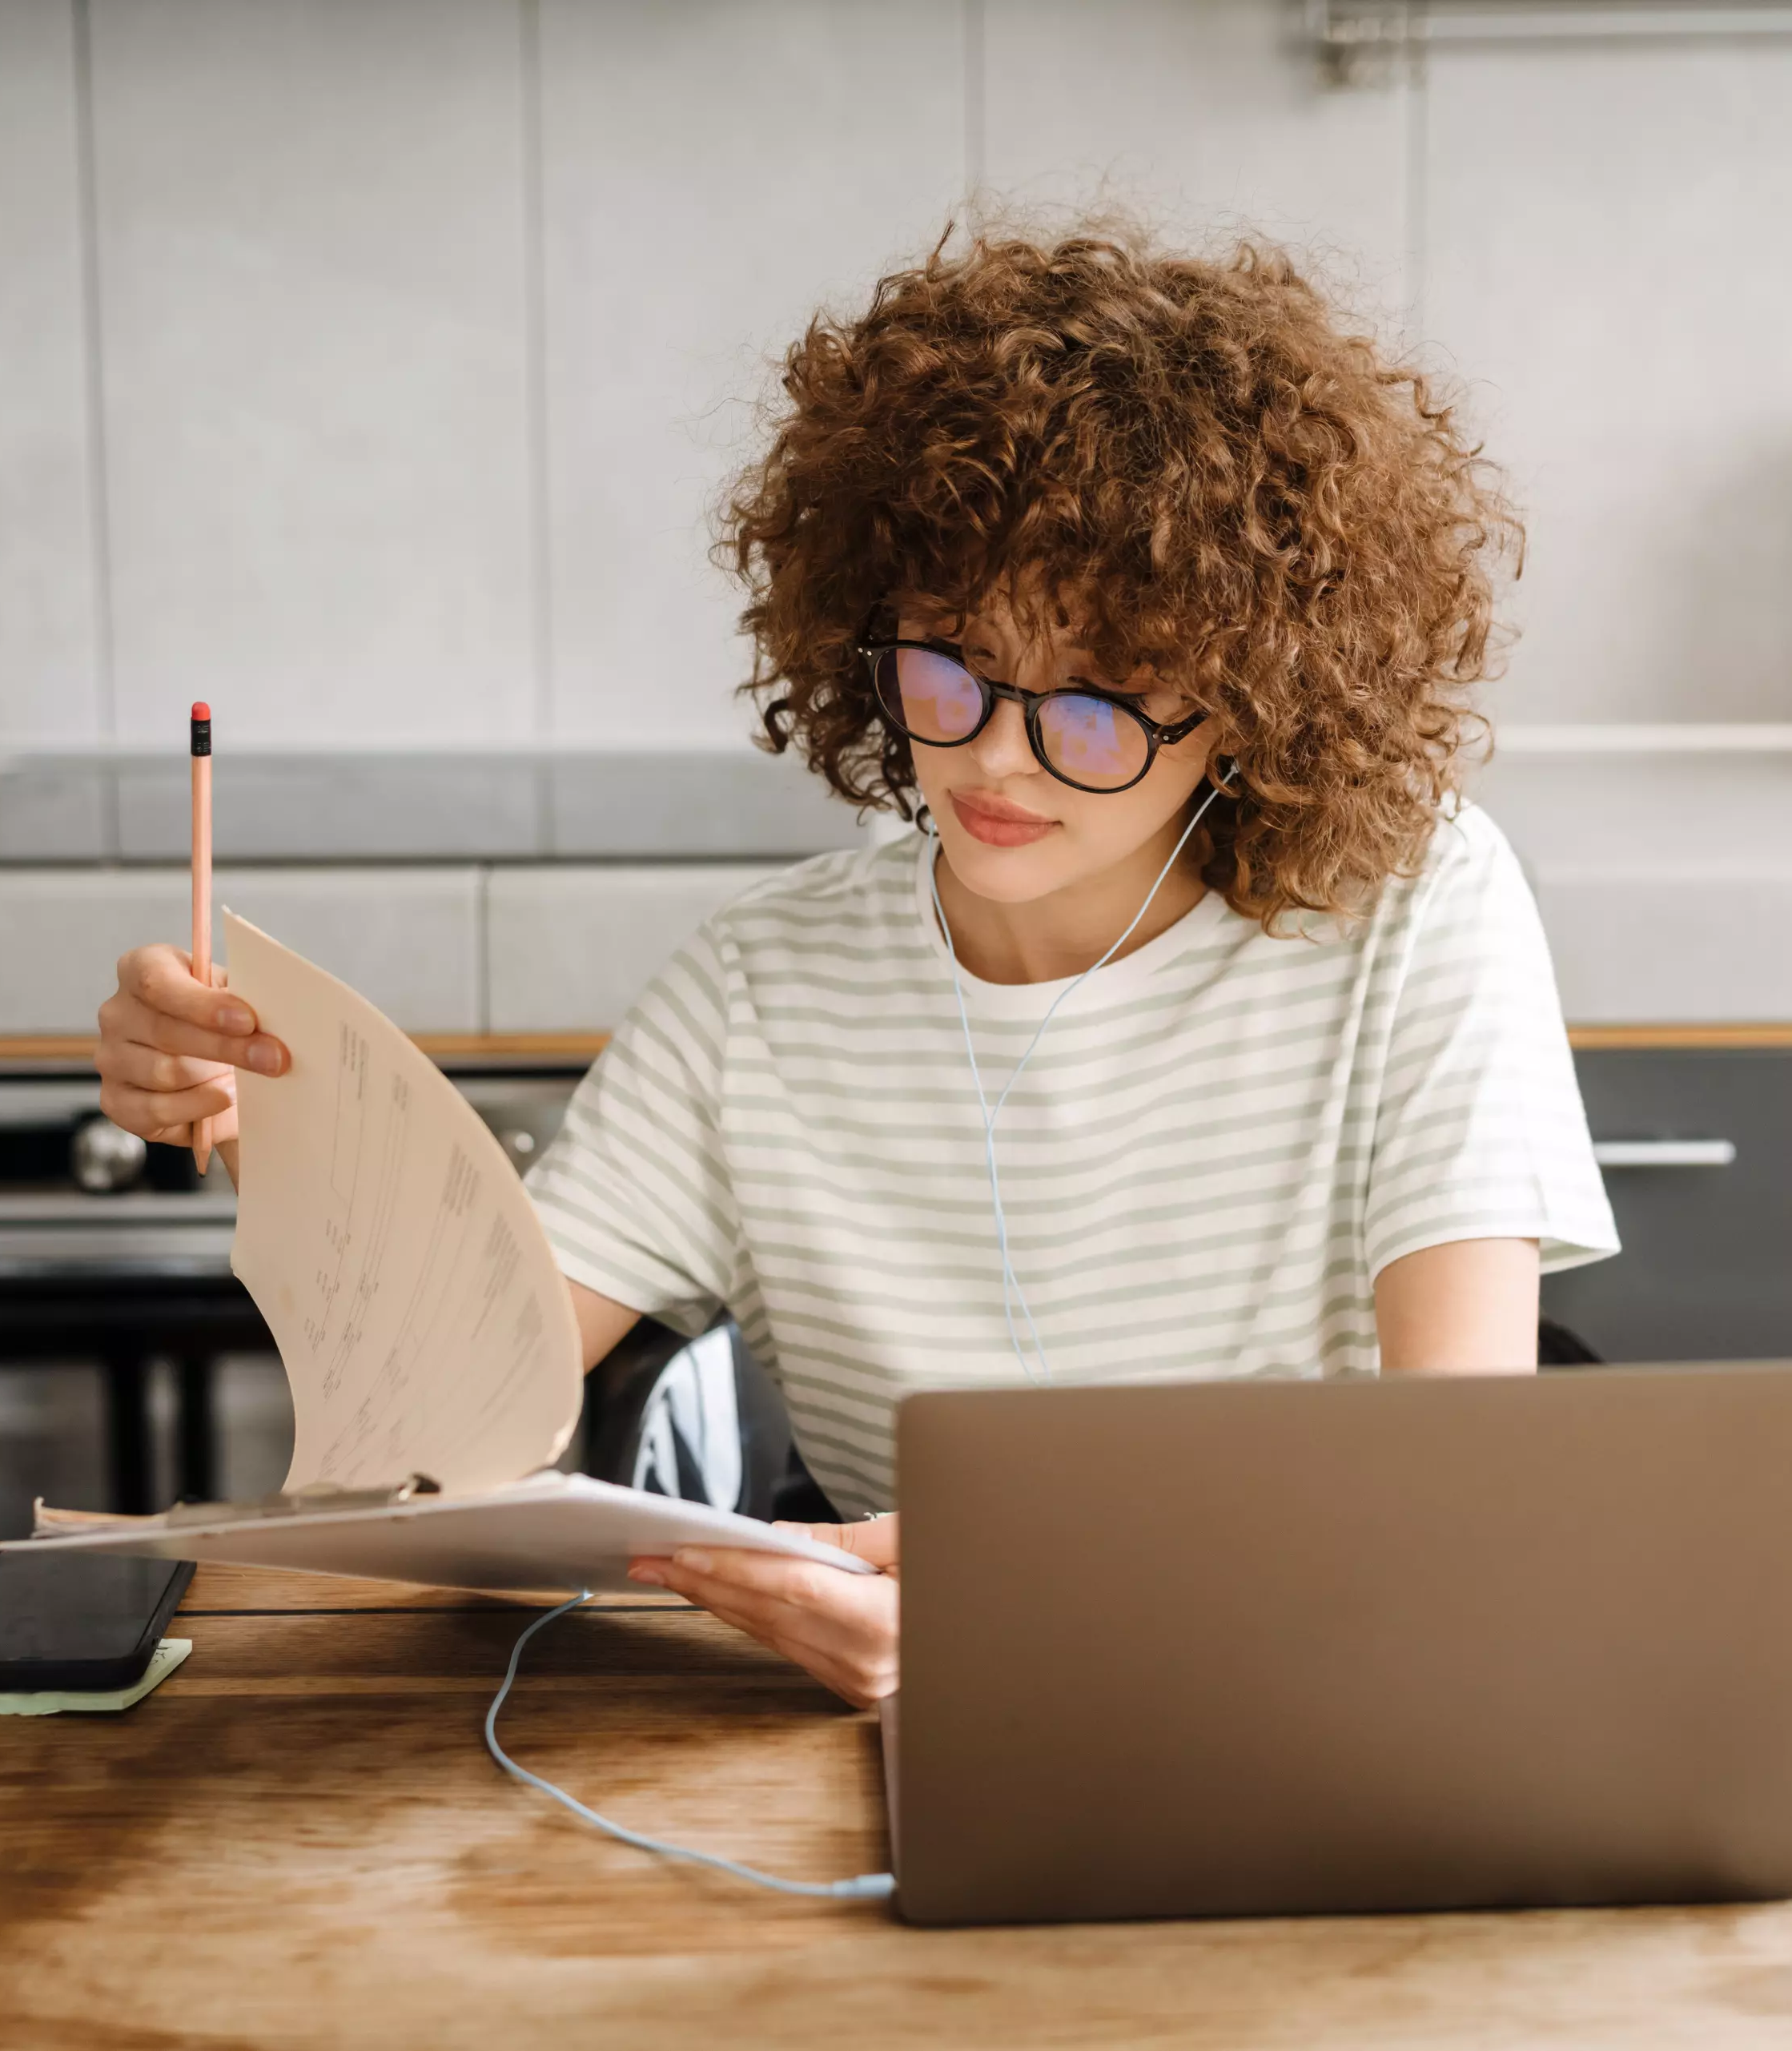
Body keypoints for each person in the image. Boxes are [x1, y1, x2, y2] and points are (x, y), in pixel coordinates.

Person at [93, 223, 1617, 1711]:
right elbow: (435, 1419)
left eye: (1099, 702)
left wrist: (1015, 1611)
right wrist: (278, 1129)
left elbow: (1455, 1474)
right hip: (901, 1741)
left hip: (1323, 1692)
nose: (998, 759)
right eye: (950, 661)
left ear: (1255, 704)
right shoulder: (760, 989)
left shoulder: (1413, 905)